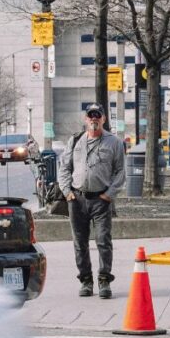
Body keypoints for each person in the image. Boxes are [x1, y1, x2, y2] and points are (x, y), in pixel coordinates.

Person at [58, 103, 126, 299]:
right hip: (77, 199)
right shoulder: (75, 140)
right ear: (85, 119)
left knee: (103, 241)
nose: (94, 119)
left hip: (101, 200)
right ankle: (86, 281)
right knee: (80, 243)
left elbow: (121, 172)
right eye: (90, 116)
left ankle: (104, 280)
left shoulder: (114, 142)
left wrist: (109, 194)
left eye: (98, 115)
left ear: (103, 119)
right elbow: (64, 167)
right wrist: (67, 192)